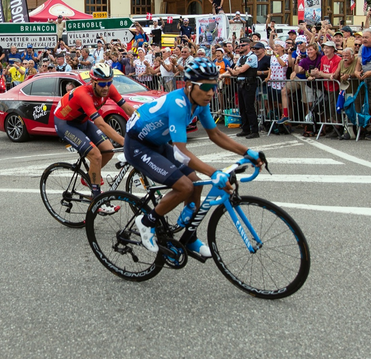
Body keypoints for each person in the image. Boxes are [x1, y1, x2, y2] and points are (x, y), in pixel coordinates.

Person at [125, 58, 262, 256]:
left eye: (214, 87)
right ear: (189, 86)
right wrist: (214, 172)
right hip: (138, 145)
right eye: (205, 87)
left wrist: (247, 152)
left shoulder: (199, 102)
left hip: (157, 143)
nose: (210, 93)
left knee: (195, 184)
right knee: (185, 186)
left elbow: (215, 135)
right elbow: (181, 152)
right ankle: (146, 222)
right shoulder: (179, 104)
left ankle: (189, 238)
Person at [53, 63, 135, 208]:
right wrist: (125, 142)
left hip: (82, 121)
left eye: (109, 83)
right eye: (102, 84)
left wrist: (145, 121)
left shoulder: (109, 89)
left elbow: (127, 108)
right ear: (93, 82)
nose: (106, 87)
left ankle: (89, 177)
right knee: (96, 155)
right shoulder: (83, 94)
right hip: (65, 123)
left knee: (108, 150)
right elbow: (101, 124)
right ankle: (97, 200)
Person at [227, 38, 259, 139]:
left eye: (243, 45)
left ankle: (254, 130)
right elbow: (235, 69)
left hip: (249, 83)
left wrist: (237, 70)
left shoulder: (252, 57)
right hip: (241, 83)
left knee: (249, 108)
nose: (241, 47)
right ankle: (246, 129)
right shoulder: (241, 58)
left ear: (248, 46)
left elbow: (242, 69)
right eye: (240, 46)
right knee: (242, 108)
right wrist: (236, 70)